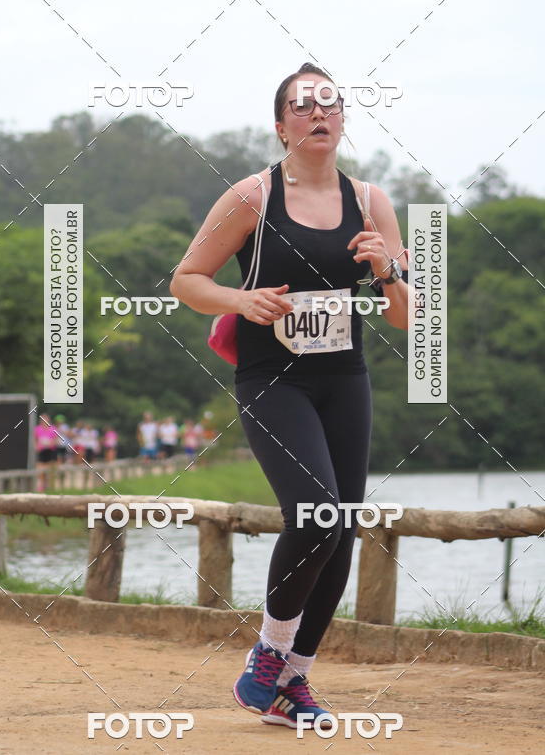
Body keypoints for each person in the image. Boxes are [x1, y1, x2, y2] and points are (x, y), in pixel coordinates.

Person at [170, 63, 409, 729]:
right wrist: (240, 299)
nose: (318, 113)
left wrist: (388, 270)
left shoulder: (371, 202)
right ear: (282, 126)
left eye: (329, 104)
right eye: (303, 106)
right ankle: (268, 659)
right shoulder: (252, 196)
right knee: (314, 511)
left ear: (342, 122)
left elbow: (407, 316)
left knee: (342, 526)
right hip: (272, 378)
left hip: (344, 378)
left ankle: (291, 684)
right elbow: (187, 281)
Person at [34, 413, 58, 491]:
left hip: (50, 451)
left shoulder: (53, 429)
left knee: (50, 471)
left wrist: (50, 443)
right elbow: (35, 439)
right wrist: (36, 446)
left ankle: (49, 486)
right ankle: (41, 486)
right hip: (41, 451)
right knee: (40, 470)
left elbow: (56, 440)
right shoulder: (37, 429)